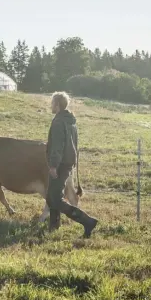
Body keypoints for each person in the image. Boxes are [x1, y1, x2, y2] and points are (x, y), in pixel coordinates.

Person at [45, 92, 98, 238]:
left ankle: (88, 221)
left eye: (52, 102)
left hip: (60, 164)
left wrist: (53, 165)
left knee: (54, 198)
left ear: (57, 104)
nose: (50, 105)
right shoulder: (71, 121)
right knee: (52, 196)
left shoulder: (58, 122)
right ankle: (54, 226)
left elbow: (57, 145)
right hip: (68, 162)